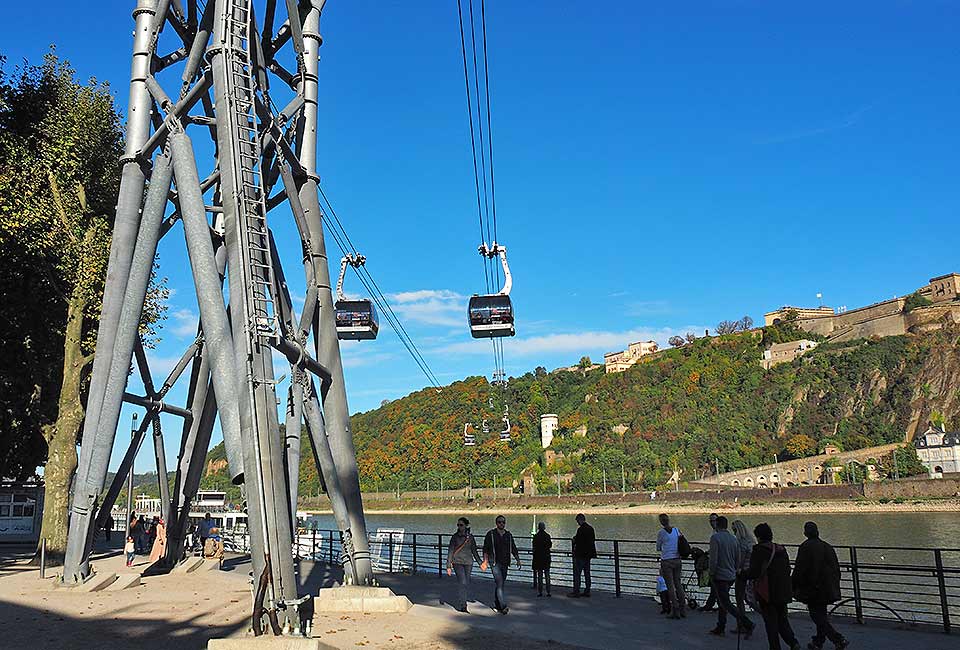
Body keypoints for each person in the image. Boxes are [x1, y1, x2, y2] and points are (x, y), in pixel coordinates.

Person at [792, 522, 849, 650]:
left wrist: (793, 585)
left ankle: (838, 639)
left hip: (813, 589)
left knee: (816, 616)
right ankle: (818, 641)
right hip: (828, 588)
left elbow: (800, 569)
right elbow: (835, 568)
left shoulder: (805, 547)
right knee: (821, 614)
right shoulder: (827, 546)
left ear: (806, 533)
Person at [745, 523, 801, 650]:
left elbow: (754, 572)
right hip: (783, 591)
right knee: (782, 620)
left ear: (758, 536)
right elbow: (787, 569)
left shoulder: (758, 550)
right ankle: (793, 643)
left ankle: (775, 647)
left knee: (770, 623)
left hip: (767, 592)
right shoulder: (781, 549)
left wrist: (741, 574)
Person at [707, 516, 755, 638]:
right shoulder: (734, 539)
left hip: (720, 575)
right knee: (723, 601)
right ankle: (720, 626)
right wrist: (733, 569)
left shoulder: (715, 538)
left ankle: (747, 623)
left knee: (726, 602)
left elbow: (713, 559)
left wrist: (711, 573)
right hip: (731, 575)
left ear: (717, 525)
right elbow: (738, 559)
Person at [483, 515, 521, 614]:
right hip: (494, 563)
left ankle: (497, 605)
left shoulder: (508, 535)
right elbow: (485, 549)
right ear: (496, 523)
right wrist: (485, 561)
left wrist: (518, 559)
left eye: (503, 522)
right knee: (499, 583)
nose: (502, 524)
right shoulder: (490, 534)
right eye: (500, 522)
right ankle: (503, 606)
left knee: (500, 584)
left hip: (505, 563)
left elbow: (513, 547)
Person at [446, 517, 484, 612]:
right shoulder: (454, 537)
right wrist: (448, 565)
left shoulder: (470, 537)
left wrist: (480, 563)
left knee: (465, 583)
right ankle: (463, 605)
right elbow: (450, 551)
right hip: (457, 562)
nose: (459, 527)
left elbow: (474, 551)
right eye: (458, 525)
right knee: (462, 582)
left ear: (466, 525)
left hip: (468, 563)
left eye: (461, 525)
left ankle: (463, 599)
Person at [656, 513, 686, 619]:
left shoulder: (661, 533)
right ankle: (683, 608)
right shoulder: (677, 530)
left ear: (661, 522)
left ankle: (675, 610)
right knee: (678, 584)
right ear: (669, 520)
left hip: (667, 561)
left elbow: (658, 547)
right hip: (677, 560)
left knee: (670, 586)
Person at [731, 519, 756, 632]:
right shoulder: (751, 541)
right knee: (749, 598)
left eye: (734, 530)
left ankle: (741, 624)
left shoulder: (741, 543)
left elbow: (740, 561)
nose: (733, 532)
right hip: (750, 573)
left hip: (741, 574)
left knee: (739, 599)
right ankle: (765, 614)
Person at [568, 513, 597, 598]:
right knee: (587, 573)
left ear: (580, 520)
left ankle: (576, 592)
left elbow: (577, 540)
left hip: (580, 555)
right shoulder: (591, 528)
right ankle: (587, 591)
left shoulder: (580, 530)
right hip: (588, 555)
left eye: (577, 521)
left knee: (577, 574)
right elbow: (593, 540)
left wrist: (574, 539)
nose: (577, 523)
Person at [701, 512, 720, 612]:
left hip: (718, 564)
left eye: (714, 520)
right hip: (714, 562)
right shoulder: (714, 532)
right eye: (710, 520)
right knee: (714, 586)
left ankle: (717, 606)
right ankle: (711, 605)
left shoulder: (718, 533)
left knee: (715, 586)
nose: (712, 522)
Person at [532, 521, 552, 597]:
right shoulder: (547, 536)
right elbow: (550, 545)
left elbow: (534, 547)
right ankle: (548, 591)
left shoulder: (536, 536)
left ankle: (540, 592)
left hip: (538, 558)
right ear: (544, 527)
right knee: (547, 574)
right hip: (546, 557)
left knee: (540, 575)